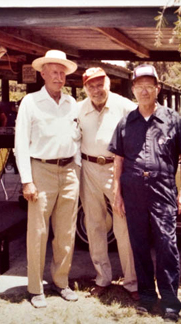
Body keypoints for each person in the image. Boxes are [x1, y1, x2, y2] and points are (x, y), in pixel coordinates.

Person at [108, 64, 181, 322]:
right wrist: (117, 192)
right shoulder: (126, 122)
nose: (144, 91)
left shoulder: (172, 119)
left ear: (157, 88)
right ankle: (146, 298)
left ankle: (170, 303)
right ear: (133, 89)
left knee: (167, 246)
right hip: (133, 192)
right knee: (140, 246)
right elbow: (118, 160)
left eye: (149, 86)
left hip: (163, 191)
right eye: (139, 86)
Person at [15, 50, 81, 309]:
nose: (59, 76)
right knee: (38, 232)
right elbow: (20, 143)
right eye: (53, 72)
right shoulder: (30, 102)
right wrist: (26, 180)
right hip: (40, 171)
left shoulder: (71, 103)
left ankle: (61, 282)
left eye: (62, 72)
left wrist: (76, 170)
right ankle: (35, 288)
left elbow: (77, 138)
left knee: (66, 232)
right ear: (42, 74)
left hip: (68, 172)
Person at [77, 67, 139, 300]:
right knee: (94, 225)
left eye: (99, 84)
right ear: (85, 88)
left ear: (108, 84)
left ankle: (132, 282)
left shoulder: (124, 105)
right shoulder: (79, 108)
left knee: (123, 226)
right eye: (91, 85)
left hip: (117, 169)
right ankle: (102, 278)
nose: (96, 89)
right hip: (88, 168)